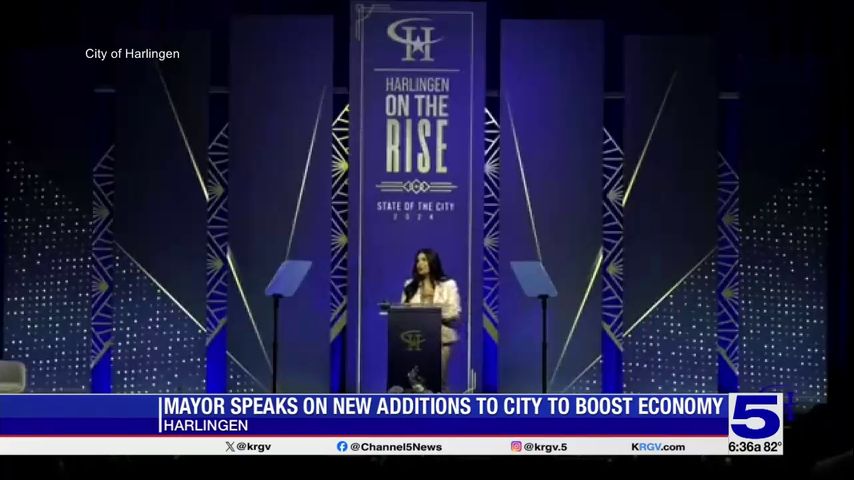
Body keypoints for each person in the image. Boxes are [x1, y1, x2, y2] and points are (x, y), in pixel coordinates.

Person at [401, 248, 461, 392]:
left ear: (432, 262)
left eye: (424, 260)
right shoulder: (410, 286)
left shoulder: (448, 285)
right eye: (417, 260)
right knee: (415, 384)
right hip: (415, 340)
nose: (419, 264)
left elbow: (454, 312)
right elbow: (403, 312)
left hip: (441, 339)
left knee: (439, 383)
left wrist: (429, 312)